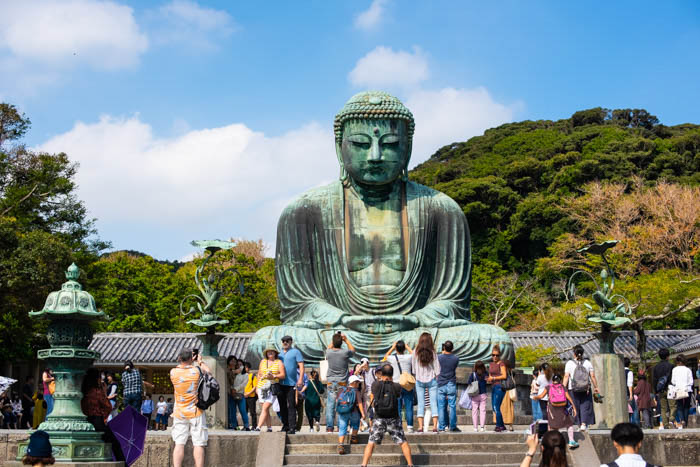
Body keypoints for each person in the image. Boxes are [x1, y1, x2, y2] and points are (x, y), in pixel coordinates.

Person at [361, 364, 414, 467]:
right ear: (392, 374)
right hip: (394, 418)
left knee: (371, 442)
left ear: (381, 373)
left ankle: (364, 465)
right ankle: (410, 464)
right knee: (402, 441)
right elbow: (400, 394)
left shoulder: (375, 385)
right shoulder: (397, 386)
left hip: (379, 418)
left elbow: (373, 396)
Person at [170, 348, 212, 467]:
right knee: (198, 443)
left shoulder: (173, 372)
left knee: (179, 443)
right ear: (191, 358)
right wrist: (200, 361)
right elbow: (209, 373)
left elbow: (181, 366)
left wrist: (188, 360)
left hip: (179, 412)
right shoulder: (197, 370)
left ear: (179, 358)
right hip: (196, 411)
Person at [81, 368, 124, 462]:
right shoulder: (97, 391)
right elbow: (107, 406)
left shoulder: (82, 391)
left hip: (82, 421)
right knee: (115, 444)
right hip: (97, 422)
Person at [563, 345, 599, 431]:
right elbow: (592, 376)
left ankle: (579, 424)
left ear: (574, 354)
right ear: (582, 353)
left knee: (575, 406)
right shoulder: (588, 363)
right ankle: (584, 424)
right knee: (585, 406)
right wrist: (596, 387)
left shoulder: (569, 363)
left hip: (573, 388)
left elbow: (566, 376)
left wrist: (563, 388)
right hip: (585, 388)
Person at [325, 332, 355, 432]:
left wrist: (335, 339)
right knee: (341, 404)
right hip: (342, 383)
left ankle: (329, 427)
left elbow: (329, 347)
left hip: (331, 382)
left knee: (330, 405)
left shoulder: (328, 352)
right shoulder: (345, 352)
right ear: (341, 343)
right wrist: (346, 340)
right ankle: (340, 426)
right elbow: (353, 351)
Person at [382, 340, 414, 433]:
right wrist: (407, 346)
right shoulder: (409, 357)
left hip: (396, 384)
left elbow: (385, 356)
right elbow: (415, 355)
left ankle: (398, 425)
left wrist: (392, 347)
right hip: (407, 384)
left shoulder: (392, 358)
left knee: (397, 406)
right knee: (409, 406)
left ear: (396, 349)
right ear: (404, 349)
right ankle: (410, 426)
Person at [540, 373, 578, 449]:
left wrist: (535, 396)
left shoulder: (548, 387)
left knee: (553, 426)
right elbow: (568, 397)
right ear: (560, 380)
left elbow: (541, 396)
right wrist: (574, 407)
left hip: (552, 410)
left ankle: (553, 442)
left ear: (553, 380)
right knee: (569, 423)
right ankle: (571, 441)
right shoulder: (562, 387)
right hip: (562, 409)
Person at [412, 332, 440, 433]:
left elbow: (413, 368)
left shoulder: (415, 351)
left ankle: (420, 427)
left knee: (421, 404)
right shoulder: (433, 352)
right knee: (433, 403)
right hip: (431, 379)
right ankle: (435, 427)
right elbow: (437, 368)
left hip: (419, 380)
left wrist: (417, 374)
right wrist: (435, 374)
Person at [254, 347, 286, 432]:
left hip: (272, 387)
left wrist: (274, 376)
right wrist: (257, 387)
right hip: (262, 386)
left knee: (265, 407)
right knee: (265, 409)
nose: (270, 353)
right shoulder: (263, 361)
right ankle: (269, 427)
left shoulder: (279, 362)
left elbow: (283, 375)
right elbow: (259, 374)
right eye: (268, 352)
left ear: (275, 353)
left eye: (272, 351)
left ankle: (258, 427)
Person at [279, 336, 304, 434]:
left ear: (291, 342)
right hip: (280, 383)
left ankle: (292, 427)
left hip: (291, 383)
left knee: (292, 405)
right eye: (283, 341)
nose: (285, 342)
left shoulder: (296, 352)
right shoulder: (279, 353)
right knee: (282, 406)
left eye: (287, 341)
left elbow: (301, 366)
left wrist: (300, 379)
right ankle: (285, 425)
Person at [337, 374, 367, 454]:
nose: (358, 384)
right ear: (353, 383)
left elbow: (337, 401)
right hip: (354, 412)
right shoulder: (356, 391)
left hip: (343, 412)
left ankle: (341, 445)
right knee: (355, 424)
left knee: (342, 428)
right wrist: (363, 414)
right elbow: (360, 403)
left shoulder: (341, 390)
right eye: (357, 383)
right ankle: (353, 438)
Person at [436, 340, 460, 432]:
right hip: (451, 383)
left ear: (444, 348)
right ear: (452, 348)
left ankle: (442, 427)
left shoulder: (439, 357)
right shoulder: (456, 358)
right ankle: (452, 426)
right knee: (452, 406)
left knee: (441, 406)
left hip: (441, 383)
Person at [487, 344, 507, 432]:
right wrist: (488, 379)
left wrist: (494, 378)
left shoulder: (501, 364)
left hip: (500, 386)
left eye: (497, 355)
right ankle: (502, 425)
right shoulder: (491, 364)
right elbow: (490, 375)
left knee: (496, 406)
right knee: (494, 407)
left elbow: (504, 375)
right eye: (493, 355)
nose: (495, 357)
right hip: (493, 386)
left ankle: (499, 425)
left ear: (499, 355)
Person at [652, 348, 673, 429]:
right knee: (672, 406)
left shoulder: (656, 367)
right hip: (670, 388)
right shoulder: (671, 366)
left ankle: (665, 424)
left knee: (663, 408)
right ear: (668, 356)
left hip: (660, 389)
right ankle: (671, 420)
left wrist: (655, 391)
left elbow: (654, 380)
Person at [670, 354, 693, 429]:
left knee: (679, 406)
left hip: (678, 389)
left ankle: (682, 420)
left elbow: (673, 381)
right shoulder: (688, 370)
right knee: (686, 406)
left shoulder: (674, 370)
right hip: (687, 389)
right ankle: (685, 422)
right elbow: (691, 382)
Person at [533, 363, 553, 436]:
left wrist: (539, 374)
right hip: (551, 396)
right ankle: (550, 427)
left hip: (542, 396)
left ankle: (545, 429)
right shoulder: (552, 375)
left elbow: (537, 384)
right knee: (550, 412)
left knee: (544, 412)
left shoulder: (540, 376)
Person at [468, 361, 488, 431]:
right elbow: (487, 381)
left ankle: (475, 427)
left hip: (475, 395)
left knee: (474, 411)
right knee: (483, 411)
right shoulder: (485, 374)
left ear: (475, 367)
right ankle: (482, 427)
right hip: (483, 394)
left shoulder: (473, 374)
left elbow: (469, 383)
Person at [231, 358, 250, 430]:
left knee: (243, 411)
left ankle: (246, 426)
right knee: (232, 411)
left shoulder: (245, 375)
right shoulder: (233, 373)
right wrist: (232, 389)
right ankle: (234, 426)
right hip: (232, 394)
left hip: (240, 394)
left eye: (240, 364)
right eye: (237, 364)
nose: (239, 366)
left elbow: (243, 384)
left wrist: (235, 389)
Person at [624, 358, 639, 425]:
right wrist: (631, 394)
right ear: (629, 364)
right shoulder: (629, 372)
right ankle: (635, 425)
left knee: (625, 411)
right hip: (627, 393)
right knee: (634, 409)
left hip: (621, 394)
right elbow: (629, 384)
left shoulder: (619, 371)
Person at [243, 361, 258, 429]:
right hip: (243, 396)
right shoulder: (241, 376)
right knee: (244, 412)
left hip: (251, 397)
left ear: (248, 368)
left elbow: (255, 386)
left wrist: (248, 393)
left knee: (253, 412)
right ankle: (245, 426)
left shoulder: (252, 376)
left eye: (245, 367)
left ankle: (254, 426)